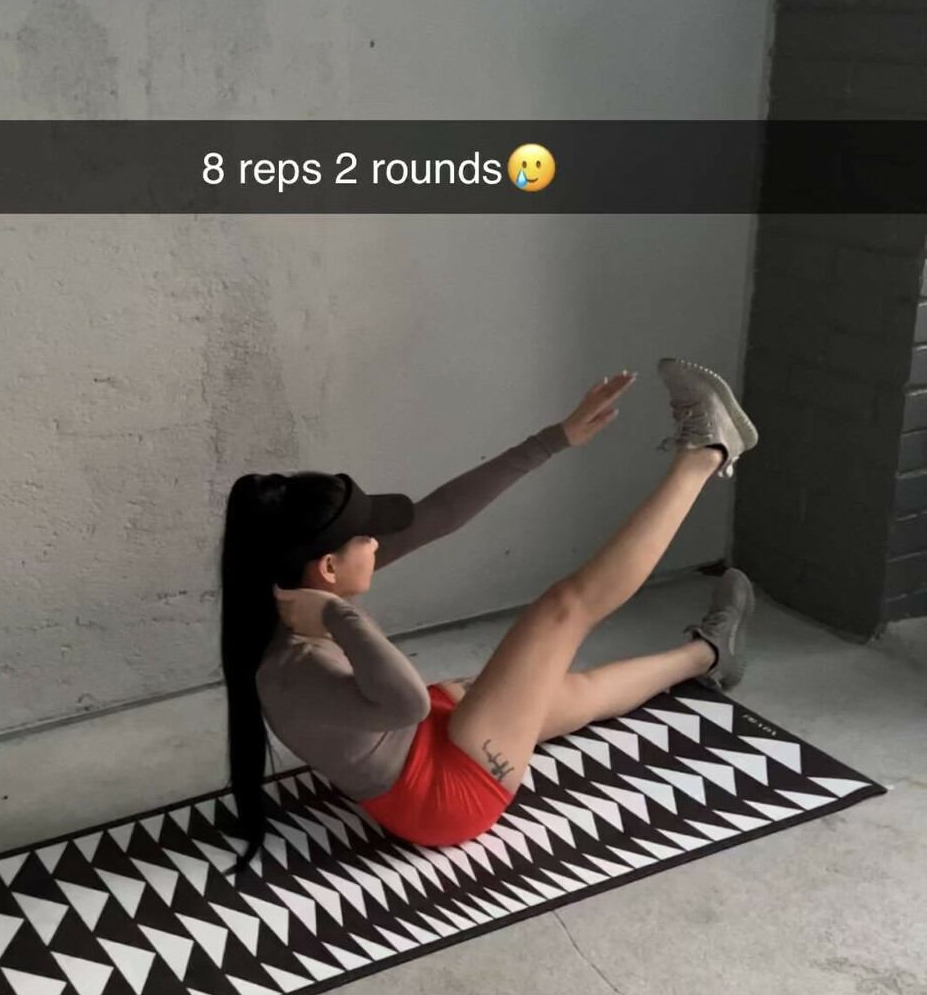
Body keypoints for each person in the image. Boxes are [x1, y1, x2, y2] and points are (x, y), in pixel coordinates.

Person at [218, 358, 758, 879]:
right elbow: (406, 701)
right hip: (440, 796)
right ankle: (704, 453)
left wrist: (555, 439)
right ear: (329, 568)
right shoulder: (293, 667)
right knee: (564, 609)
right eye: (365, 538)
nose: (377, 544)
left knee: (572, 690)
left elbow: (438, 514)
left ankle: (710, 654)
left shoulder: (294, 591)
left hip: (419, 735)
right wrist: (339, 614)